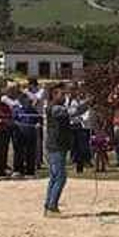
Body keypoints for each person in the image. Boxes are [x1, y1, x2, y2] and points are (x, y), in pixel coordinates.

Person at [42, 85, 86, 215]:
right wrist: (88, 103)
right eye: (61, 94)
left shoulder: (54, 107)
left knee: (54, 177)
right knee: (61, 177)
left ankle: (48, 205)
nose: (64, 97)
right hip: (56, 147)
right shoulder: (55, 109)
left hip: (55, 146)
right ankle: (52, 206)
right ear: (54, 95)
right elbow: (73, 112)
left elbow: (74, 111)